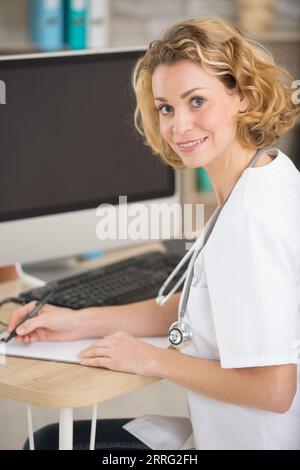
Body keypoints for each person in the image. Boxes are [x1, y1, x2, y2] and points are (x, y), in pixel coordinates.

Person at [8, 16, 300, 450]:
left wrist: (151, 358)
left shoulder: (250, 221)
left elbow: (274, 390)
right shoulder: (268, 172)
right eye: (166, 107)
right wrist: (77, 322)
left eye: (196, 101)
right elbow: (202, 304)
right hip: (218, 433)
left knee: (48, 445)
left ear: (241, 93)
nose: (178, 126)